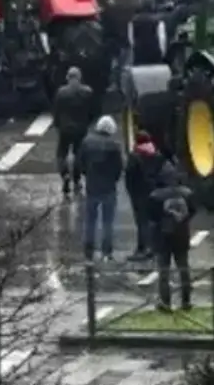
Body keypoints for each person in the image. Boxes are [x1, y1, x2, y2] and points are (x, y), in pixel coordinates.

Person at [147, 162, 194, 311]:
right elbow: (192, 211)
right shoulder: (187, 194)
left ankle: (165, 301)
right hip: (181, 235)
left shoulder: (155, 196)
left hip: (162, 237)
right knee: (183, 268)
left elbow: (151, 216)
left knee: (163, 271)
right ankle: (186, 300)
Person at [77, 115, 124, 262]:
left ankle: (88, 250)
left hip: (92, 185)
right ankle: (106, 251)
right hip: (109, 187)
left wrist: (87, 175)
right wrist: (113, 180)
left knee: (90, 220)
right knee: (107, 221)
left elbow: (81, 163)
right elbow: (118, 168)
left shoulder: (87, 142)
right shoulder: (114, 146)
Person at [51, 67, 97, 197]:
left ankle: (65, 174)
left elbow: (56, 111)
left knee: (61, 153)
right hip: (81, 127)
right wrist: (88, 122)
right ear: (80, 77)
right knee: (78, 153)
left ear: (67, 77)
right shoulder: (87, 92)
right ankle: (77, 179)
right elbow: (93, 111)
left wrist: (57, 124)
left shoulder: (61, 92)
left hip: (65, 128)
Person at [124, 131, 163, 261]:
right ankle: (153, 247)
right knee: (152, 221)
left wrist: (131, 191)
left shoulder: (135, 156)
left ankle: (143, 248)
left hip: (139, 193)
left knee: (141, 222)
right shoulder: (157, 155)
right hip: (153, 192)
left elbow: (129, 176)